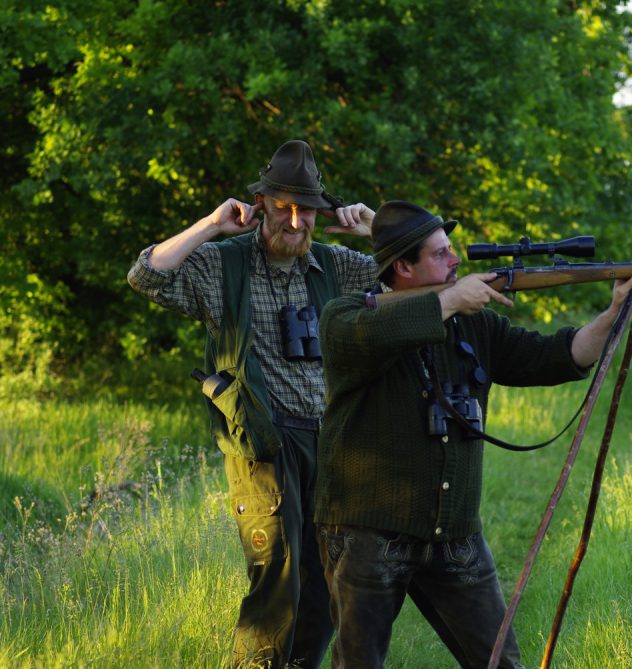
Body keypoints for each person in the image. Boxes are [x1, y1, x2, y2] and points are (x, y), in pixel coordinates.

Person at [314, 200, 632, 668]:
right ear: (403, 266)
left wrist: (613, 312)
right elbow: (371, 334)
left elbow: (557, 355)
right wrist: (451, 299)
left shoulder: (474, 323)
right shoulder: (346, 317)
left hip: (455, 533)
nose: (455, 262)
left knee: (500, 663)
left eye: (451, 251)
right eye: (440, 254)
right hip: (368, 533)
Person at [127, 140, 379, 668]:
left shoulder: (336, 268)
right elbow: (146, 275)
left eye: (305, 208)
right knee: (277, 583)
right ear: (259, 205)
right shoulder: (226, 267)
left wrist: (377, 227)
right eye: (283, 205)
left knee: (330, 585)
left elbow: (434, 273)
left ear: (319, 211)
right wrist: (211, 224)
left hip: (329, 444)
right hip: (262, 445)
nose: (294, 220)